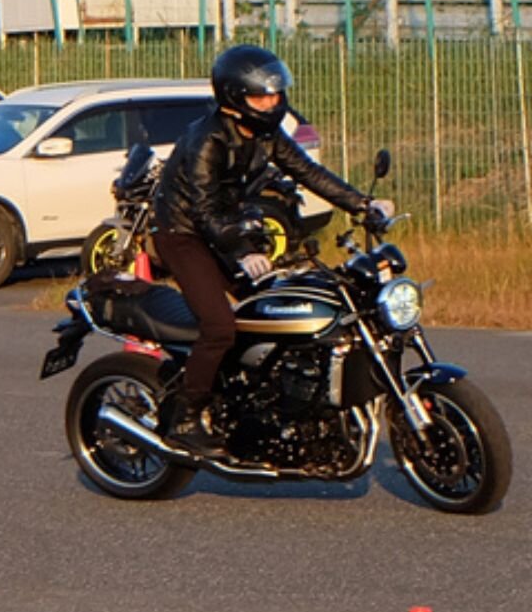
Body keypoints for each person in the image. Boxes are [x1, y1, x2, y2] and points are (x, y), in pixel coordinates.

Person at [150, 44, 392, 456]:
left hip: (229, 227)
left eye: (276, 94)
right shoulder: (206, 140)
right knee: (220, 326)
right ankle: (186, 416)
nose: (272, 102)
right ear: (233, 97)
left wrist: (361, 204)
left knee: (273, 309)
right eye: (261, 95)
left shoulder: (265, 133)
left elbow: (308, 171)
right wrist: (241, 250)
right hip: (183, 233)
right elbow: (205, 210)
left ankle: (262, 402)